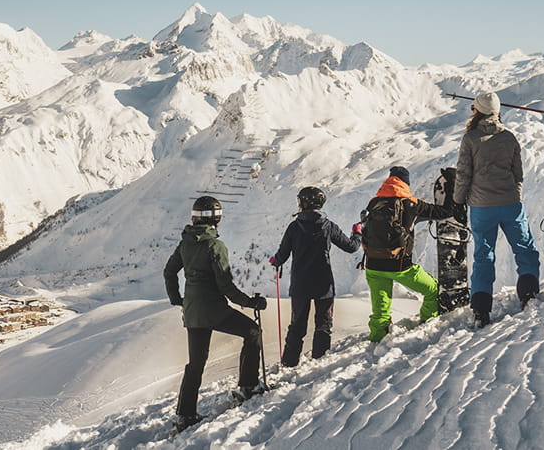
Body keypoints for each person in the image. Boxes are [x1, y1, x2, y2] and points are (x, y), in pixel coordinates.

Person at [164, 196, 268, 432]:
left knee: (196, 363)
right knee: (253, 332)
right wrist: (252, 303)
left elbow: (169, 273)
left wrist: (178, 300)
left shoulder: (185, 243)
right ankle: (248, 386)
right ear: (216, 218)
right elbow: (226, 287)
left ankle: (185, 415)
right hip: (214, 309)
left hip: (192, 312)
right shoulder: (215, 246)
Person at [454, 91, 541, 328]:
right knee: (524, 248)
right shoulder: (509, 138)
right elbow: (518, 173)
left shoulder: (470, 139)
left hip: (482, 207)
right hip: (510, 203)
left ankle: (481, 310)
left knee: (484, 256)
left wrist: (459, 201)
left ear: (477, 111)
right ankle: (529, 294)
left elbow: (463, 174)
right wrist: (514, 194)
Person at [357, 166, 454, 342]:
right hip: (399, 266)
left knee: (380, 310)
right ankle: (428, 323)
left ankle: (377, 340)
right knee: (433, 290)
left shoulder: (374, 203)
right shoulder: (411, 204)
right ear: (406, 184)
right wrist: (451, 183)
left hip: (373, 266)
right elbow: (446, 212)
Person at [268, 186, 360, 367]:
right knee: (324, 324)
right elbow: (351, 247)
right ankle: (320, 364)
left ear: (303, 203)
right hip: (324, 283)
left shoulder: (294, 227)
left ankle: (289, 363)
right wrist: (357, 233)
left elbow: (282, 255)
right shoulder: (329, 226)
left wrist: (275, 261)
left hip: (300, 284)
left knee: (297, 326)